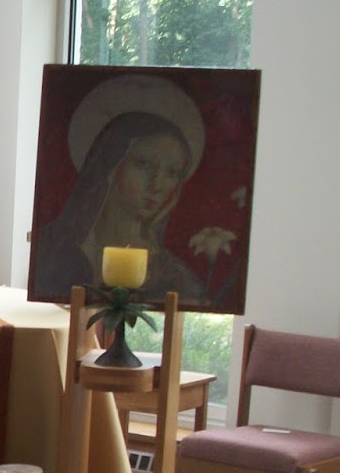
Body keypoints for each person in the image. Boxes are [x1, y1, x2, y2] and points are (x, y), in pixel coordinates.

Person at [31, 74, 208, 305]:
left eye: (172, 173)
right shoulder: (52, 249)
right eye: (144, 164)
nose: (156, 185)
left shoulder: (176, 277)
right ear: (112, 165)